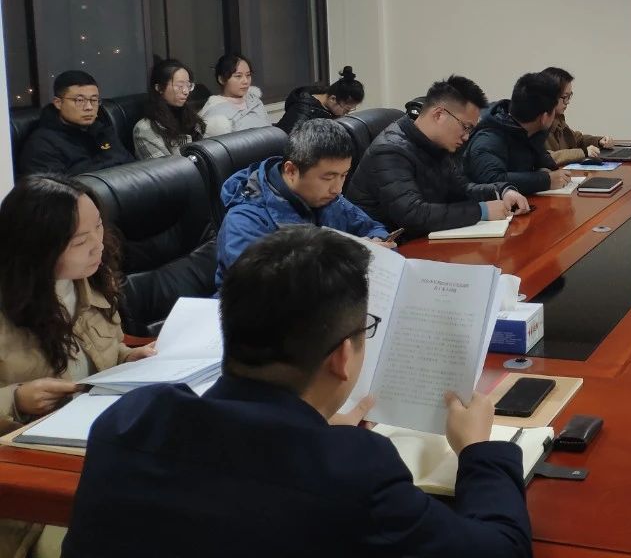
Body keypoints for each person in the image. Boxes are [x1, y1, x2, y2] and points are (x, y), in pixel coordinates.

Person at [63, 226, 534, 558]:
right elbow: (502, 549)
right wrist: (478, 452)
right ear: (342, 357)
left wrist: (315, 434)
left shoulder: (132, 418)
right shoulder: (353, 470)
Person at [0, 176, 154, 557]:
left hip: (99, 449)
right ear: (38, 249)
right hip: (31, 485)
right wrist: (16, 399)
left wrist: (126, 358)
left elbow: (102, 351)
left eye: (99, 227)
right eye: (80, 241)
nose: (98, 245)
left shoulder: (91, 278)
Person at [216, 119, 391, 289]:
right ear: (291, 171)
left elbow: (373, 229)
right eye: (328, 178)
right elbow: (262, 288)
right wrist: (347, 257)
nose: (337, 189)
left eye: (343, 175)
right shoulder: (245, 219)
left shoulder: (327, 198)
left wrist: (378, 246)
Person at [348, 76, 528, 239]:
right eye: (465, 127)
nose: (467, 137)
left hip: (422, 239)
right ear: (439, 115)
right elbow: (413, 215)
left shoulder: (437, 145)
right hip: (385, 248)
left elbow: (462, 189)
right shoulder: (390, 150)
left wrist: (502, 191)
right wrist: (481, 211)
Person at [465, 72, 570, 195]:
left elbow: (545, 163)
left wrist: (545, 169)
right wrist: (545, 180)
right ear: (544, 117)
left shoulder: (532, 132)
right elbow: (491, 179)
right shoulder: (490, 136)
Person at [16, 70, 133, 176]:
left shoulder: (101, 129)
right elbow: (56, 190)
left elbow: (131, 166)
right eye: (79, 100)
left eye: (94, 100)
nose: (89, 107)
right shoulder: (42, 145)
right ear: (58, 103)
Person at [133, 58, 206, 159]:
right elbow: (165, 168)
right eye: (180, 86)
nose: (186, 91)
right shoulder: (145, 129)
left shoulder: (192, 118)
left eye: (188, 85)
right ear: (159, 88)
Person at [541, 66, 615, 166]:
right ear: (549, 96)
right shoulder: (537, 123)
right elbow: (544, 157)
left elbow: (576, 139)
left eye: (569, 96)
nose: (568, 102)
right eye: (565, 97)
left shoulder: (558, 118)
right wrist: (583, 152)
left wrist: (599, 141)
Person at [277, 65, 365, 134]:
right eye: (346, 110)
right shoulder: (303, 111)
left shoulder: (328, 106)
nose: (345, 114)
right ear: (333, 99)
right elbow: (293, 142)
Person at [200, 53, 270, 136]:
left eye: (248, 75)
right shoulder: (215, 113)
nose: (245, 81)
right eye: (238, 76)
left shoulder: (255, 101)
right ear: (221, 79)